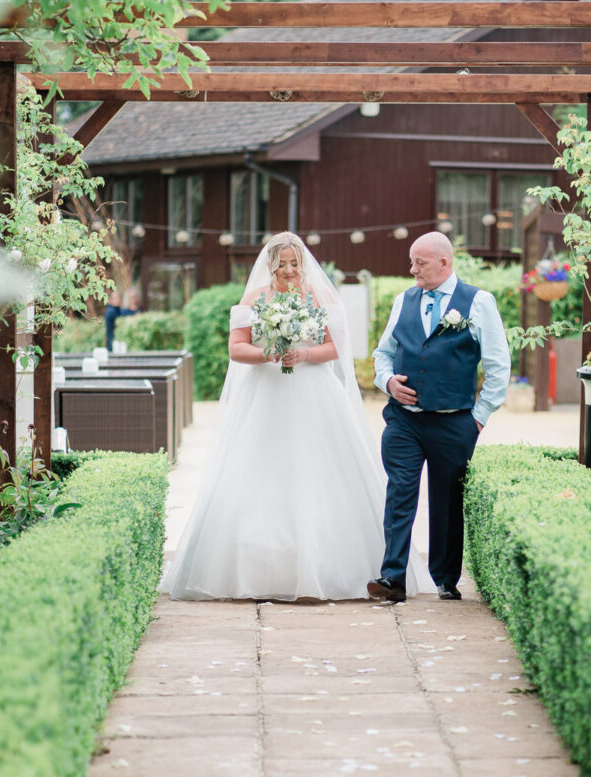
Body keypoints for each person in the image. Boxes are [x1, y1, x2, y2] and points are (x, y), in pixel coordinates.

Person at [163, 232, 416, 602]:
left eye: (294, 263)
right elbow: (236, 348)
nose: (289, 270)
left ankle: (326, 566)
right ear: (270, 265)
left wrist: (304, 355)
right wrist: (269, 352)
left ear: (303, 264)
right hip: (265, 395)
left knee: (317, 471)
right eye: (281, 263)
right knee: (260, 471)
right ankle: (258, 568)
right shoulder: (254, 298)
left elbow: (335, 348)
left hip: (313, 394)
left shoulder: (317, 296)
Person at [368, 231, 511, 603]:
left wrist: (477, 419)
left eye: (420, 262)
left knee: (447, 501)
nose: (411, 268)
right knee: (400, 491)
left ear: (444, 263)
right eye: (412, 261)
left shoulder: (479, 302)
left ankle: (446, 579)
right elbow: (383, 353)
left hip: (454, 421)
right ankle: (392, 577)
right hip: (404, 420)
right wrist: (387, 382)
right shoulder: (404, 299)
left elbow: (498, 366)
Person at [104, 285, 141, 351]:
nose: (118, 300)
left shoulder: (117, 309)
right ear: (110, 300)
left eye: (118, 298)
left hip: (117, 341)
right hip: (113, 342)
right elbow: (121, 319)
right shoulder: (111, 311)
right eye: (115, 298)